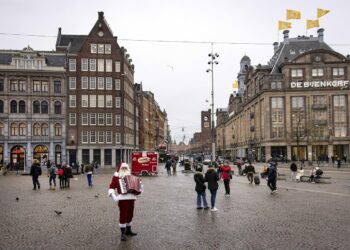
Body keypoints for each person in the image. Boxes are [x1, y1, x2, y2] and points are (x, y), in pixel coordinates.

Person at [108, 163, 143, 241]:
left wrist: (140, 187)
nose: (124, 169)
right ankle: (123, 233)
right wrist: (113, 196)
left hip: (132, 198)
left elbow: (138, 185)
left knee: (130, 214)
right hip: (122, 199)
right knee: (123, 215)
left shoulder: (132, 177)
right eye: (123, 168)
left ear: (128, 169)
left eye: (125, 168)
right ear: (120, 169)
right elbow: (111, 187)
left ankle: (128, 230)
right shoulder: (116, 178)